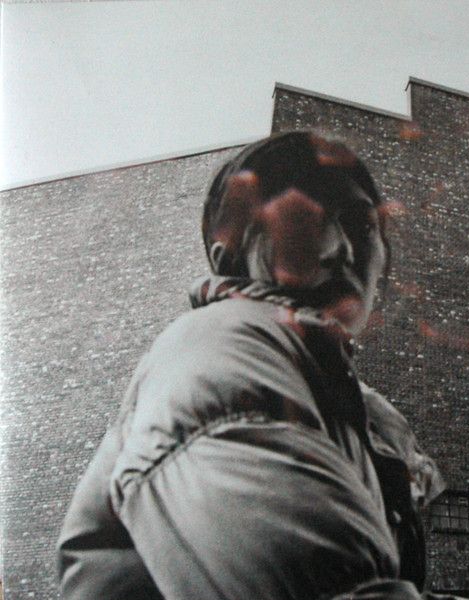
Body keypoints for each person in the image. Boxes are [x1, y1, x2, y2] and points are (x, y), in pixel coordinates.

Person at [58, 132, 446, 600]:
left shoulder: (344, 401)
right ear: (230, 260)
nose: (341, 250)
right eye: (304, 222)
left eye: (361, 225)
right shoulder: (223, 348)